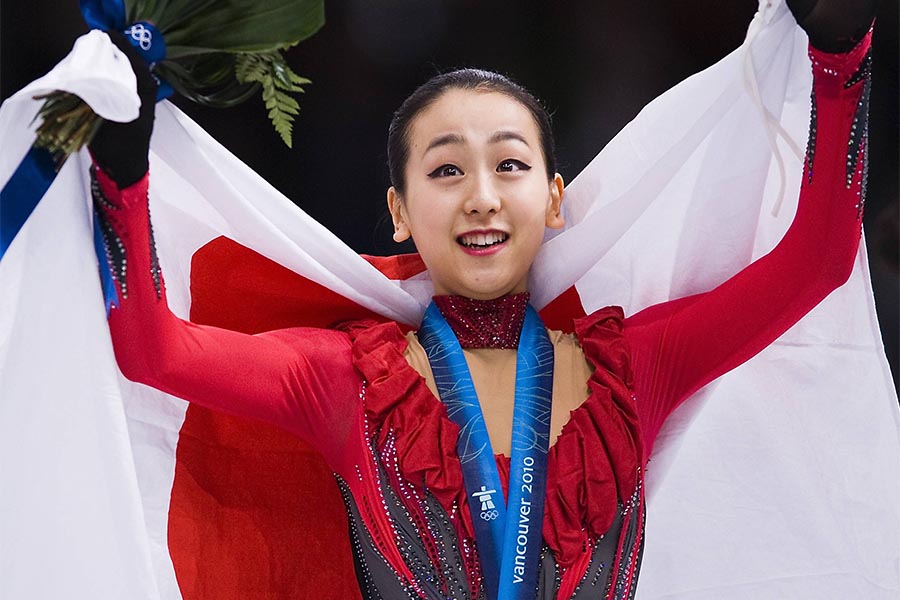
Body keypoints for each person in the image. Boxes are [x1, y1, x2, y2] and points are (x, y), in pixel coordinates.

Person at [82, 1, 880, 598]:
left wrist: (839, 59)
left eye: (509, 165)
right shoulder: (346, 381)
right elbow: (154, 351)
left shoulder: (633, 370)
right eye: (445, 171)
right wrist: (124, 177)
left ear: (554, 200)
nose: (482, 198)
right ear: (400, 213)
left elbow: (816, 265)